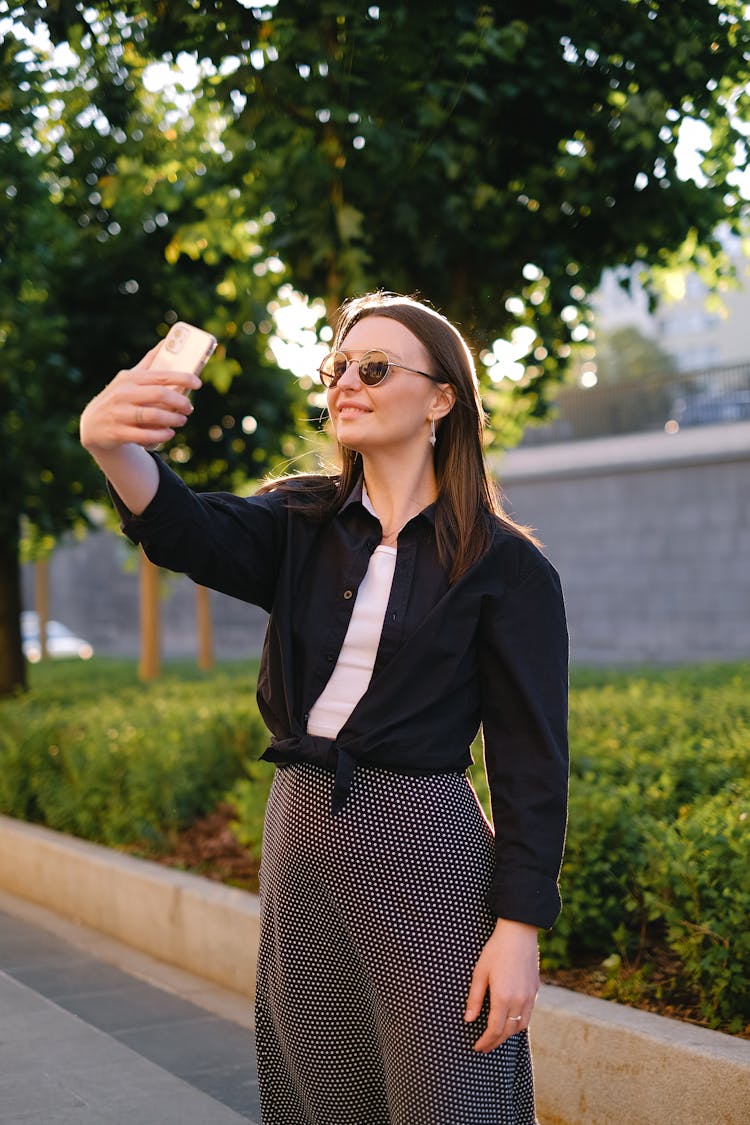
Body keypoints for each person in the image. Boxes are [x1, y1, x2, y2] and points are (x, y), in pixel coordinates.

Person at [80, 290, 569, 1125]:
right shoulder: (300, 520)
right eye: (336, 366)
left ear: (442, 398)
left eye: (374, 367)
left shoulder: (508, 567)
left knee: (453, 1095)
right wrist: (109, 442)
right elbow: (186, 527)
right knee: (322, 1090)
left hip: (425, 848)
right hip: (301, 830)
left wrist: (519, 928)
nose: (346, 380)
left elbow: (531, 764)